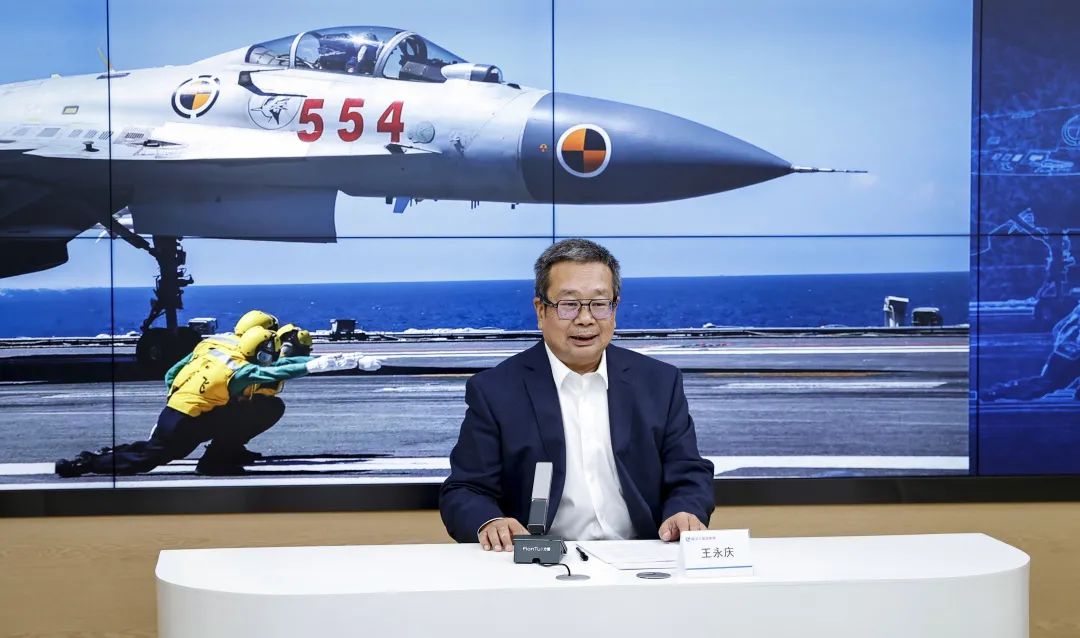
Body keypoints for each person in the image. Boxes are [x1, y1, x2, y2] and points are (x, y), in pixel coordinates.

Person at [440, 239, 714, 551]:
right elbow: (465, 490)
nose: (585, 319)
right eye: (569, 305)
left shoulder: (660, 382)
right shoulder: (495, 390)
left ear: (614, 309)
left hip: (642, 555)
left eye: (599, 304)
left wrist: (684, 512)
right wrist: (491, 522)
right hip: (542, 560)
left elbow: (690, 475)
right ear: (540, 310)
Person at [54, 327, 373, 477]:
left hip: (182, 410)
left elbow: (172, 373)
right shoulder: (241, 370)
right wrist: (325, 364)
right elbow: (278, 370)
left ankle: (221, 454)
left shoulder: (219, 350)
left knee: (260, 409)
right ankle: (88, 463)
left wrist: (175, 399)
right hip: (186, 418)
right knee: (152, 457)